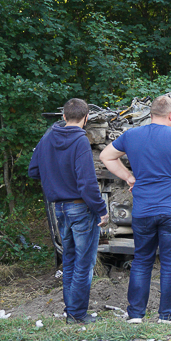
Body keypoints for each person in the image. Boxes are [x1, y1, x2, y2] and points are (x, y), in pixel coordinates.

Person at [99, 95, 171, 323]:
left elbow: (106, 156)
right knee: (170, 262)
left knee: (142, 260)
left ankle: (135, 315)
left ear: (151, 114)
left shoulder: (131, 135)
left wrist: (129, 177)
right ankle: (168, 314)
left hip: (143, 210)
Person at [29, 98, 108, 325]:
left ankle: (71, 311)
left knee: (70, 260)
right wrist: (101, 209)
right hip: (80, 208)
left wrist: (55, 176)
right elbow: (86, 183)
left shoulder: (47, 137)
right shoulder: (80, 141)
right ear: (86, 118)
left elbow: (33, 170)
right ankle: (77, 314)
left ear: (63, 116)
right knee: (84, 263)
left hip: (59, 210)